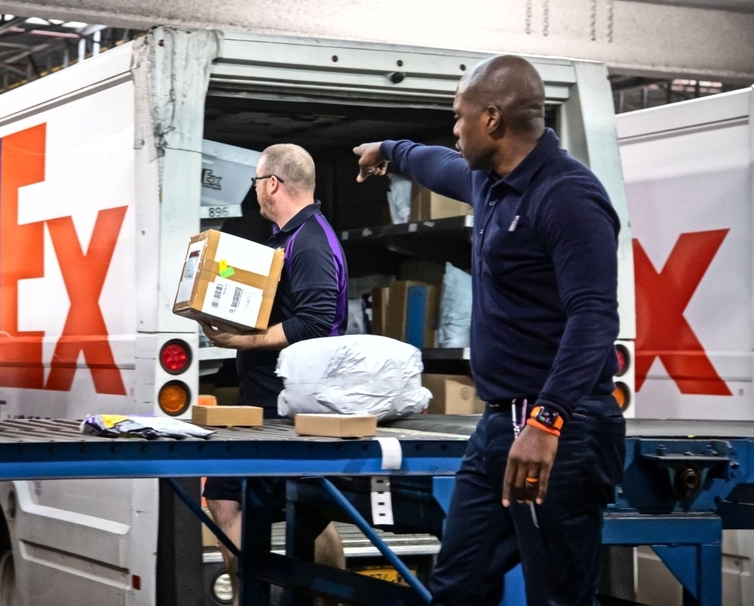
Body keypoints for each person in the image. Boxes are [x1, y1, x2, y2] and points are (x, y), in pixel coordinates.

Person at [355, 55, 626, 606]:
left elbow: (594, 318)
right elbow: (436, 164)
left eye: (461, 116)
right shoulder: (493, 183)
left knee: (560, 596)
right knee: (458, 584)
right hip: (501, 425)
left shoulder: (567, 196)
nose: (454, 129)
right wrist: (388, 150)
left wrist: (548, 422)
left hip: (560, 432)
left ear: (493, 120)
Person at [199, 143, 348, 605]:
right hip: (265, 400)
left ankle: (267, 595)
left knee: (238, 502)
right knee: (298, 514)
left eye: (257, 183)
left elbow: (316, 319)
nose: (257, 193)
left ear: (273, 184)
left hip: (286, 407)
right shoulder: (286, 237)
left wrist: (239, 342)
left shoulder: (311, 242)